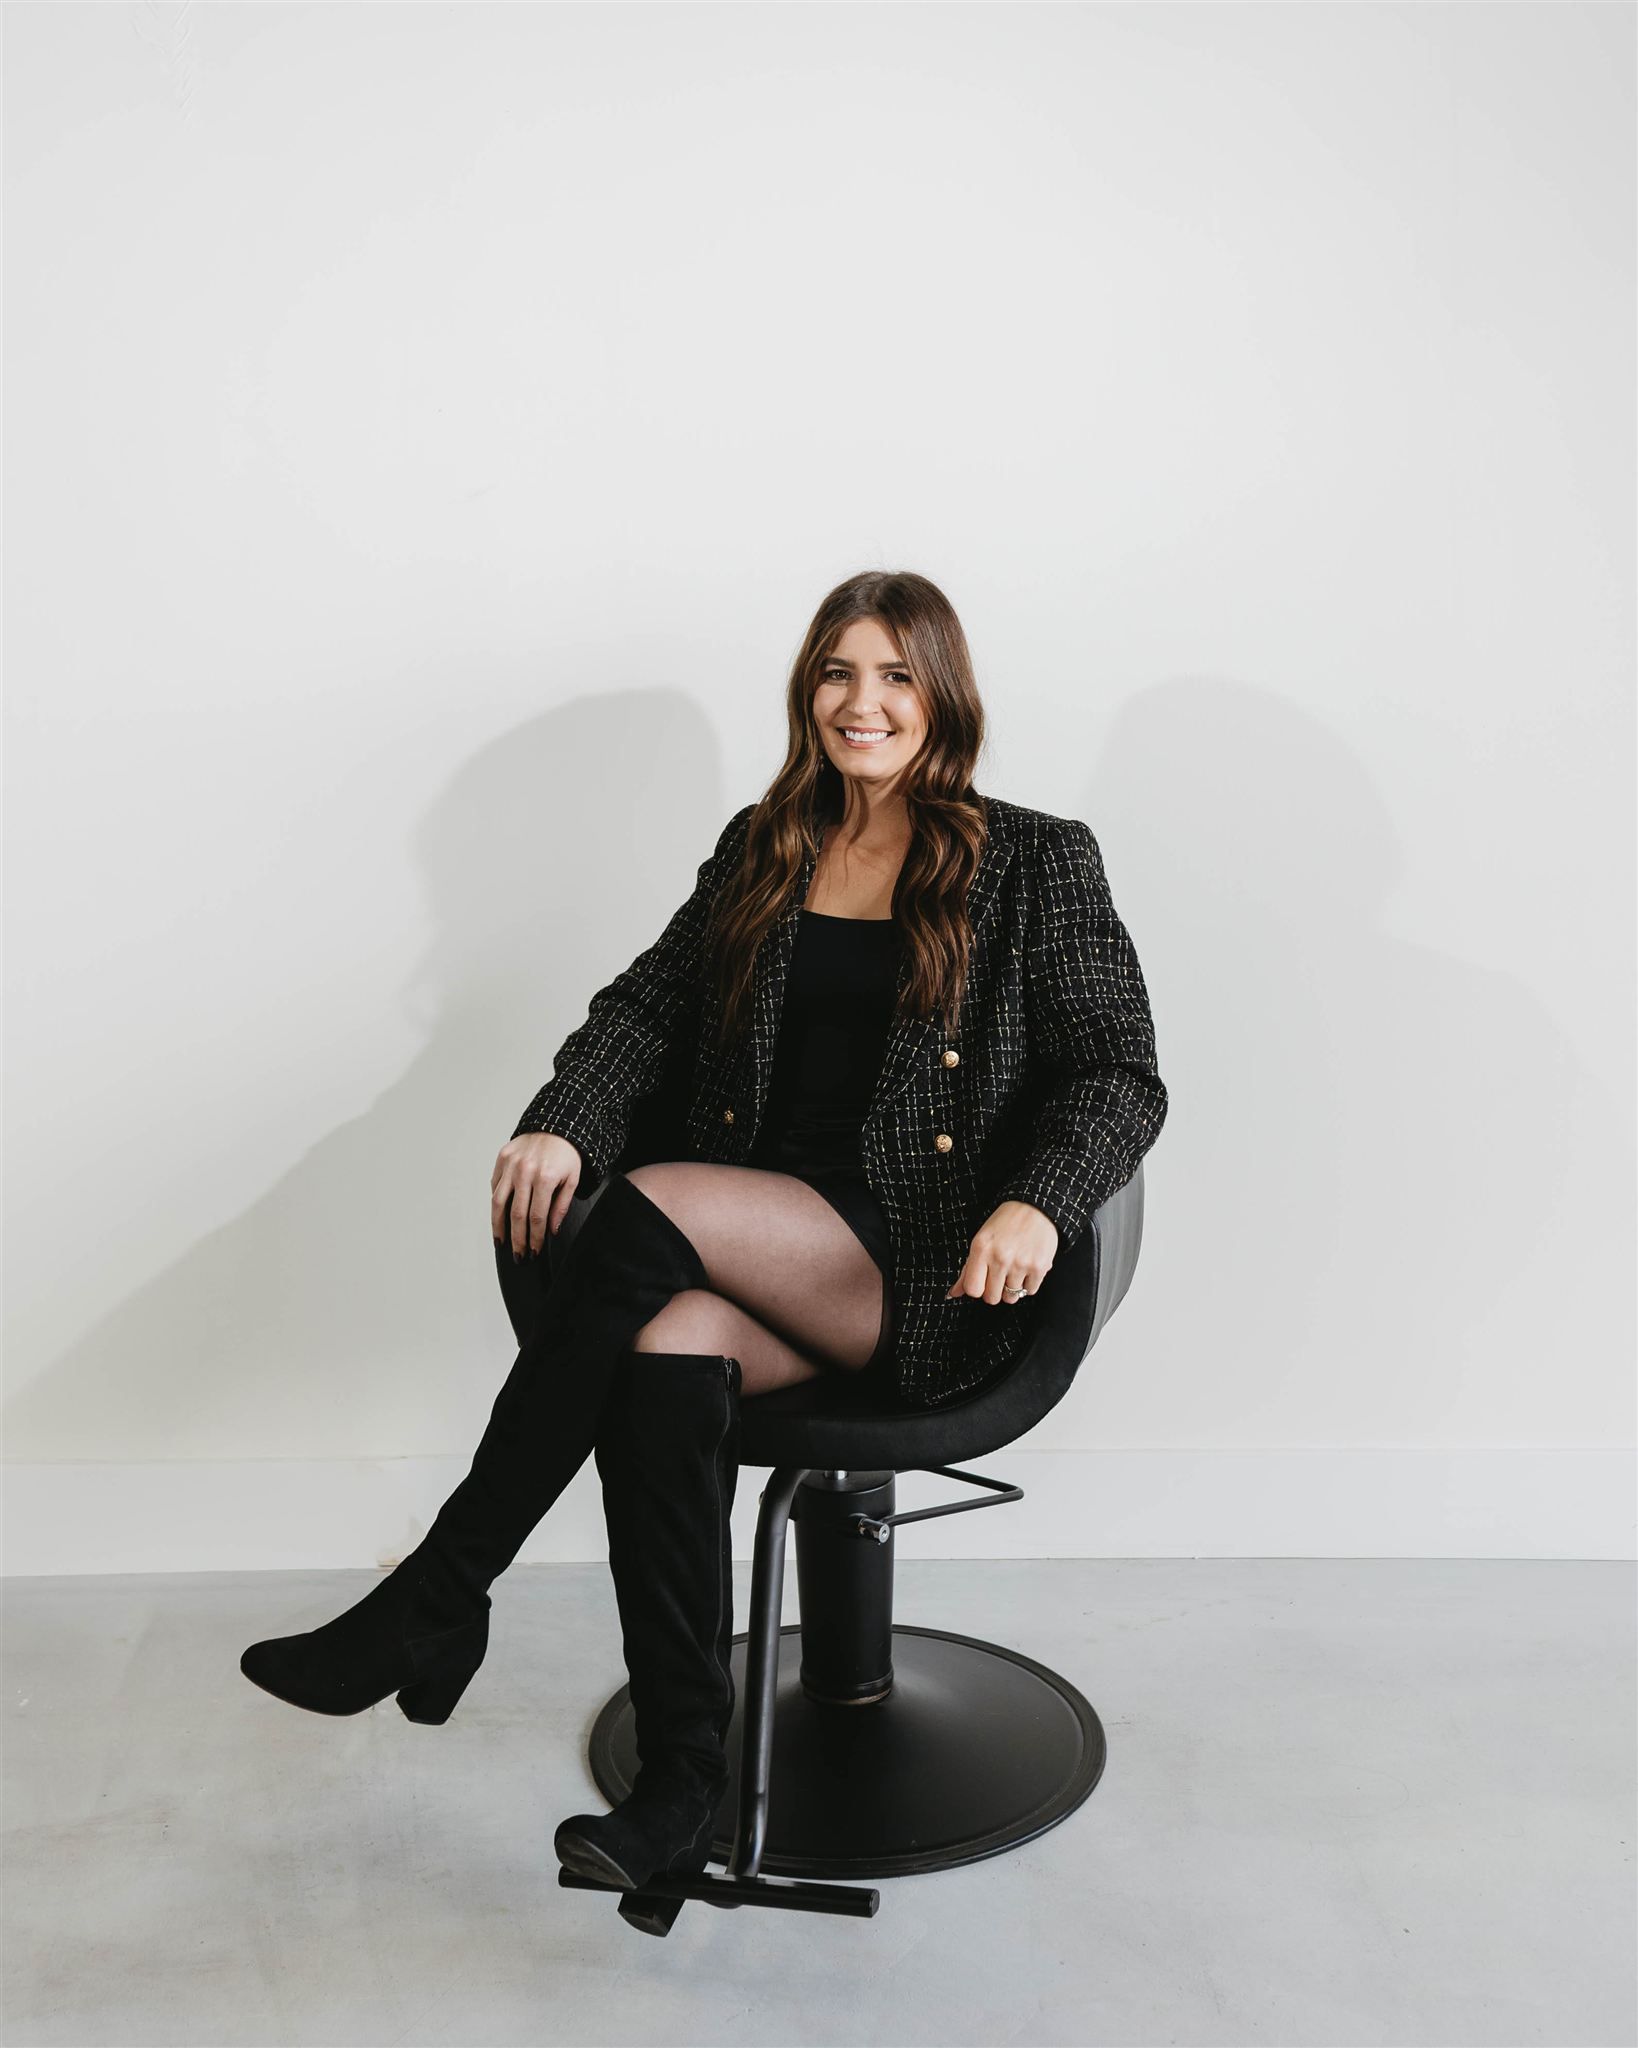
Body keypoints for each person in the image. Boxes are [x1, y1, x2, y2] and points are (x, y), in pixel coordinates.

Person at [240, 568, 1169, 1934]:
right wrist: (561, 1121)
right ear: (808, 693)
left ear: (943, 697)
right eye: (837, 674)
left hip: (911, 1271)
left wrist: (1036, 1202)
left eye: (895, 676)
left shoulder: (1035, 860)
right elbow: (647, 1007)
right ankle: (681, 1785)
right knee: (661, 1353)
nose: (862, 703)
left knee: (646, 1212)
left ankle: (439, 1594)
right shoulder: (766, 843)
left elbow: (1118, 1076)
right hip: (750, 1252)